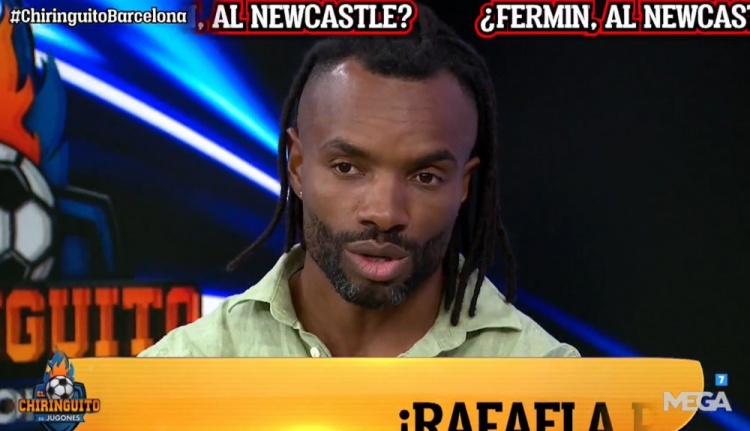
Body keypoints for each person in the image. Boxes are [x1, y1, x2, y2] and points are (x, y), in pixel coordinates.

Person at [138, 5, 580, 358]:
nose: (384, 213)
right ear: (297, 166)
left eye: (426, 176)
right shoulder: (186, 370)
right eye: (347, 168)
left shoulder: (545, 381)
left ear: (462, 186)